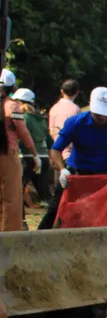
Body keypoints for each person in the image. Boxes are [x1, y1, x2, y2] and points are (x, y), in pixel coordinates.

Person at [40, 87, 107, 230]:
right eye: (97, 113)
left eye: (105, 114)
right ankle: (38, 244)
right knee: (55, 211)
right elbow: (56, 150)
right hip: (77, 175)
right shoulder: (75, 123)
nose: (101, 117)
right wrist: (62, 169)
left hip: (104, 178)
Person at [1, 70, 41, 232]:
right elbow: (22, 132)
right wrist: (35, 154)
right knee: (11, 197)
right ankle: (9, 234)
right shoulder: (11, 106)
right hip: (7, 154)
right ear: (12, 87)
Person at [12, 88, 53, 221]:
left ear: (19, 102)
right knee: (46, 195)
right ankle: (53, 221)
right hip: (44, 158)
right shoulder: (40, 118)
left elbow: (21, 136)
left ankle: (21, 222)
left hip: (27, 157)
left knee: (17, 191)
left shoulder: (23, 116)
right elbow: (49, 139)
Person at [48, 79, 81, 164]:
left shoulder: (54, 108)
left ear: (61, 92)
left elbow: (51, 131)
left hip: (56, 153)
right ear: (77, 93)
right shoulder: (76, 109)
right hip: (70, 154)